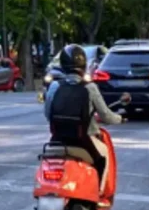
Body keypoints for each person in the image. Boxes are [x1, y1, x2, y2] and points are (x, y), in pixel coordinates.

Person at [43, 44, 129, 190]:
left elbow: (47, 114)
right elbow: (106, 116)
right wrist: (120, 118)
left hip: (57, 140)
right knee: (103, 158)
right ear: (83, 65)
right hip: (84, 140)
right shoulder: (90, 88)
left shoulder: (54, 86)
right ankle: (99, 194)